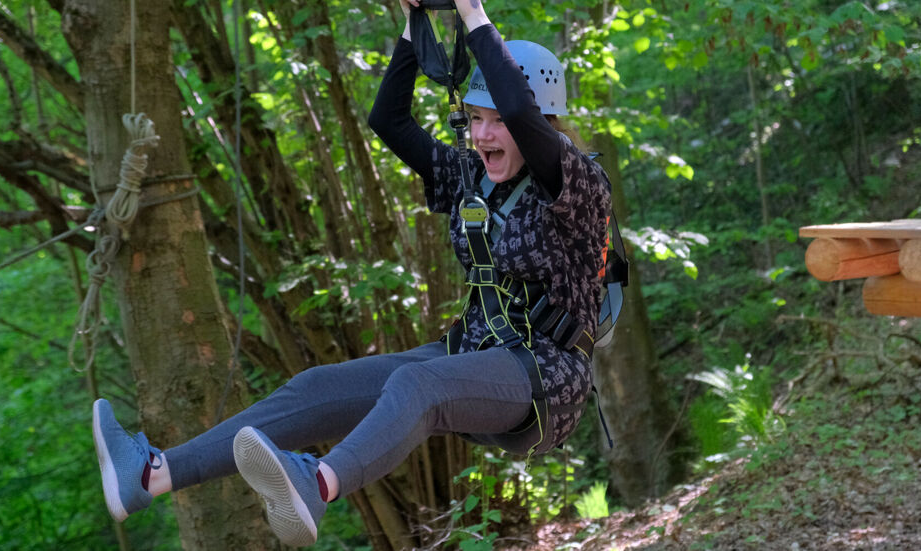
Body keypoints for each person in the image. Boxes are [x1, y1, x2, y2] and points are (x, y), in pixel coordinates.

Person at [91, 0, 612, 546]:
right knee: (319, 387)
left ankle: (317, 485)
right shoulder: (470, 177)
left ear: (540, 123)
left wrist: (472, 13)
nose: (483, 135)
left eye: (499, 121)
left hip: (545, 377)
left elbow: (524, 114)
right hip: (468, 356)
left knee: (417, 383)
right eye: (476, 118)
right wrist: (413, 25)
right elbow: (388, 120)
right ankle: (151, 475)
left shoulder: (577, 184)